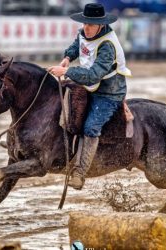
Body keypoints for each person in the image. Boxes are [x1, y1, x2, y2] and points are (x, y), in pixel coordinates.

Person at [48, 3, 131, 190]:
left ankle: (79, 173)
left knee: (91, 127)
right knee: (58, 99)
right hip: (88, 82)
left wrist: (66, 71)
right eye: (85, 23)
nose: (86, 27)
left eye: (90, 24)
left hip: (109, 92)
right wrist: (68, 57)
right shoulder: (85, 32)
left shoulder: (108, 46)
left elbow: (94, 75)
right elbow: (77, 45)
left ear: (101, 25)